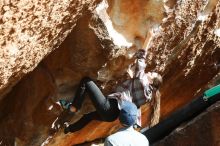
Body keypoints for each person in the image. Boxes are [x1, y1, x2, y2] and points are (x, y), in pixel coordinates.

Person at [59, 49, 163, 133]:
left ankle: (74, 107)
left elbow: (141, 60)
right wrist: (132, 79)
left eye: (151, 74)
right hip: (112, 116)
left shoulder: (142, 82)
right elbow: (133, 96)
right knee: (88, 117)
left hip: (108, 107)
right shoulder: (148, 95)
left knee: (86, 82)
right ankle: (69, 129)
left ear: (151, 82)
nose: (149, 72)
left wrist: (149, 37)